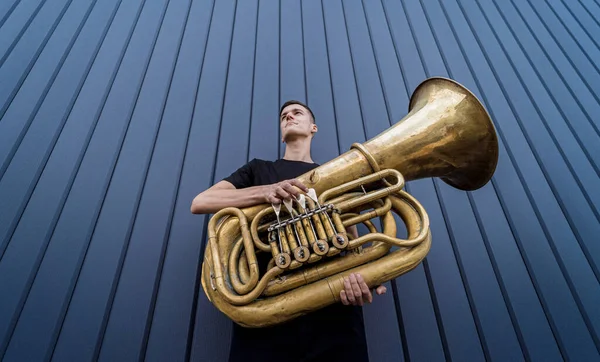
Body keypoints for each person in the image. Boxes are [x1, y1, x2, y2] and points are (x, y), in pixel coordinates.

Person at [191, 100, 387, 362]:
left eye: (297, 113)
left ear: (313, 127)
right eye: (284, 115)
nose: (289, 116)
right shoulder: (259, 169)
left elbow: (350, 239)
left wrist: (367, 274)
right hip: (266, 310)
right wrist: (264, 191)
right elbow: (201, 202)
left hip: (334, 313)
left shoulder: (338, 173)